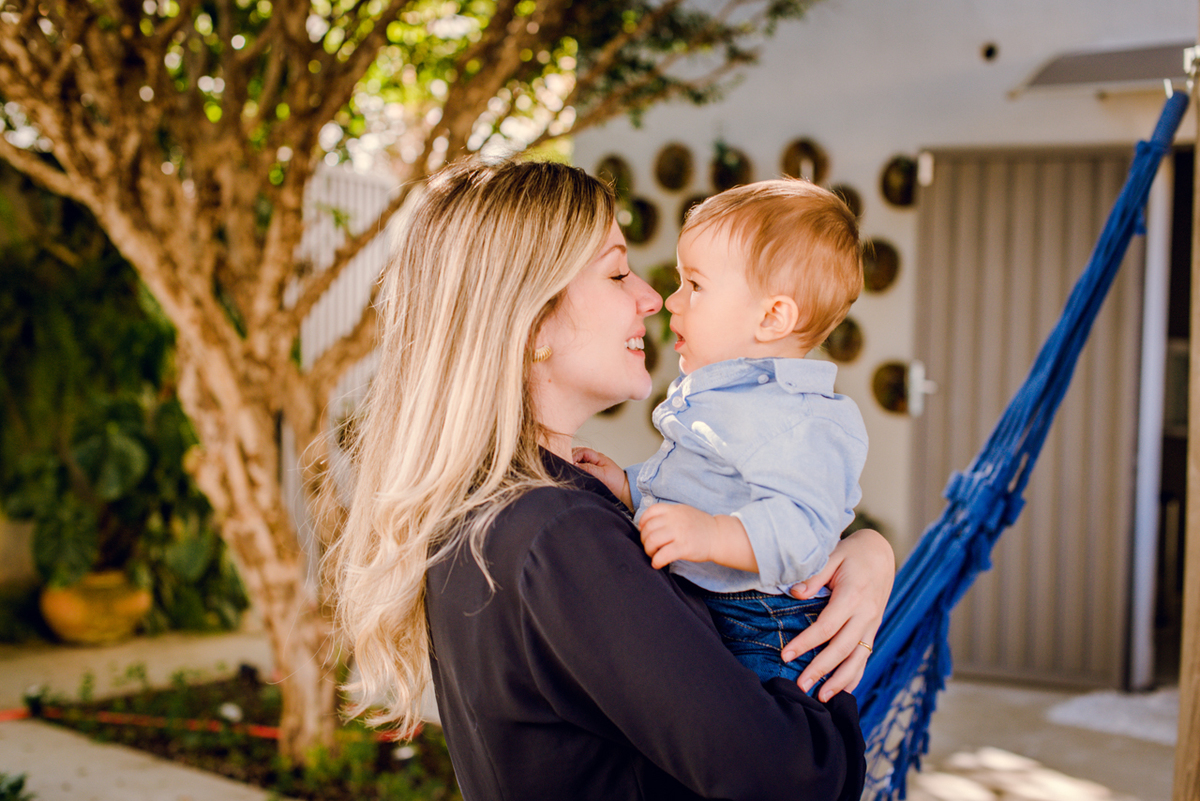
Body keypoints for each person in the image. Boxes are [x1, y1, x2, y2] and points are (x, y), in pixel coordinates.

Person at [326, 158, 894, 801]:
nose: (652, 299)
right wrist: (840, 687)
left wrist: (864, 553)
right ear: (533, 320)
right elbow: (798, 777)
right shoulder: (558, 538)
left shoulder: (498, 510)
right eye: (619, 271)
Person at [575, 178, 867, 688]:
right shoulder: (730, 395)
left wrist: (710, 535)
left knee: (754, 752)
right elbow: (701, 483)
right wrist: (628, 486)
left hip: (766, 629)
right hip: (719, 607)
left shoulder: (799, 418)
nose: (670, 301)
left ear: (773, 317)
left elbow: (802, 533)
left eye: (695, 285)